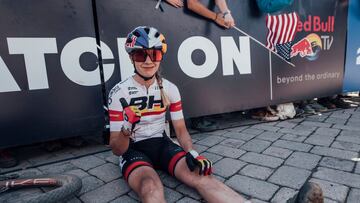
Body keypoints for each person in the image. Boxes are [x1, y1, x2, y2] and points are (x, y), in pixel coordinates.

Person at [108, 26, 323, 203]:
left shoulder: (170, 89)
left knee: (204, 178)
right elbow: (118, 149)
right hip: (134, 150)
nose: (147, 60)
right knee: (150, 187)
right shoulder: (119, 93)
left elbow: (181, 130)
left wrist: (192, 153)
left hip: (163, 145)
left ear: (160, 57)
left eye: (153, 54)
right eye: (139, 54)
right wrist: (127, 127)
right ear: (131, 58)